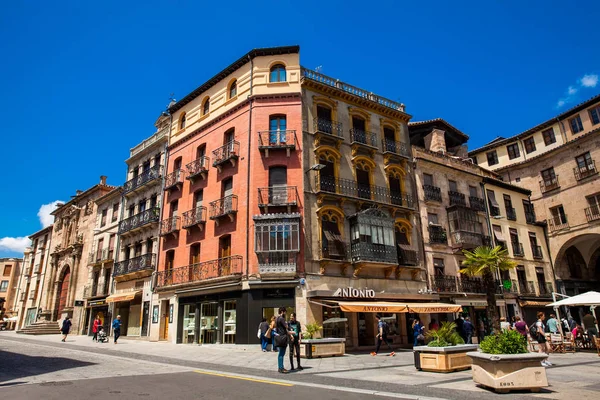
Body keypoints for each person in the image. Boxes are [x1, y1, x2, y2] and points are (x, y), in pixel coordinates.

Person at [274, 307, 293, 374]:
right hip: (283, 337)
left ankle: (280, 367)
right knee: (282, 353)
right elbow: (286, 326)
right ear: (282, 311)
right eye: (285, 312)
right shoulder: (282, 318)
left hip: (278, 337)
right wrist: (288, 325)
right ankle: (281, 368)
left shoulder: (276, 318)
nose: (285, 313)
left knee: (280, 353)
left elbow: (276, 328)